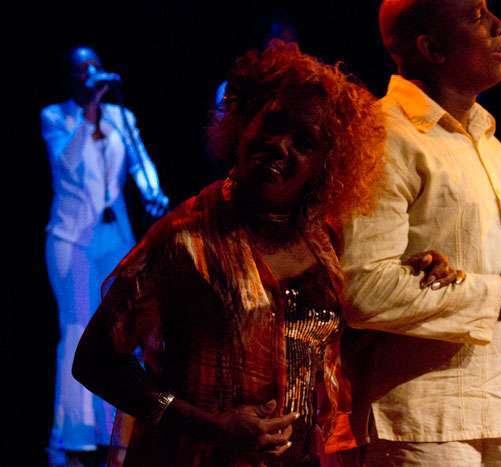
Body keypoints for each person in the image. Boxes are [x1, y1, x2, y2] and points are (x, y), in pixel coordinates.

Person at [72, 41, 462, 467]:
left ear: (327, 164)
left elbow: (347, 337)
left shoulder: (327, 241)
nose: (279, 145)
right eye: (272, 124)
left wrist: (417, 270)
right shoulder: (185, 239)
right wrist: (209, 425)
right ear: (243, 122)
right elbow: (94, 361)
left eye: (304, 142)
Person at [336, 1, 501, 465]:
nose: (500, 25)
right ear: (431, 47)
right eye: (477, 15)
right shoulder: (381, 136)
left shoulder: (496, 149)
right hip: (429, 423)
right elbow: (362, 288)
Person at [42, 46, 169, 466]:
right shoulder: (56, 118)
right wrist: (89, 115)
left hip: (115, 236)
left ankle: (111, 430)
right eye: (81, 70)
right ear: (69, 77)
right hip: (71, 240)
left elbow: (139, 160)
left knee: (119, 330)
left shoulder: (120, 117)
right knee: (78, 327)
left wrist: (152, 192)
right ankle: (75, 436)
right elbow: (67, 164)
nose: (90, 74)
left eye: (94, 67)